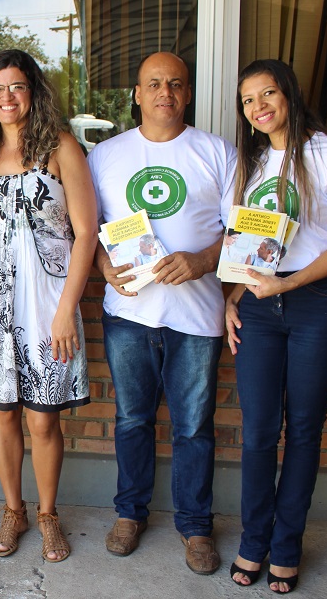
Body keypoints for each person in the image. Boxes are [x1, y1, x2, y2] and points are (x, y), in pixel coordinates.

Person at [88, 52, 236, 574]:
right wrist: (104, 265)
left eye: (175, 84)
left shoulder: (216, 152)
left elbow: (239, 231)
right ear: (136, 93)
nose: (164, 93)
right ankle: (130, 514)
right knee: (131, 419)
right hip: (129, 310)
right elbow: (84, 227)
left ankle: (196, 526)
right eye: (153, 83)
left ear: (188, 93)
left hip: (197, 315)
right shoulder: (105, 155)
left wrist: (201, 260)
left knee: (194, 426)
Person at [0, 49, 97, 563]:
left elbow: (85, 236)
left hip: (46, 303)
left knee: (43, 420)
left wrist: (65, 311)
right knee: (4, 414)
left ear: (33, 91)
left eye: (15, 87)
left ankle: (48, 515)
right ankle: (12, 511)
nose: (5, 97)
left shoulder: (60, 147)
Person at [225, 59, 327, 594]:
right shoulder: (253, 163)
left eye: (267, 94)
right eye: (247, 100)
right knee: (259, 433)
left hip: (317, 303)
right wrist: (233, 297)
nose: (258, 107)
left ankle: (287, 546)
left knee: (304, 431)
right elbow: (249, 243)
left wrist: (287, 285)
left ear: (289, 94)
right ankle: (254, 541)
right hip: (260, 308)